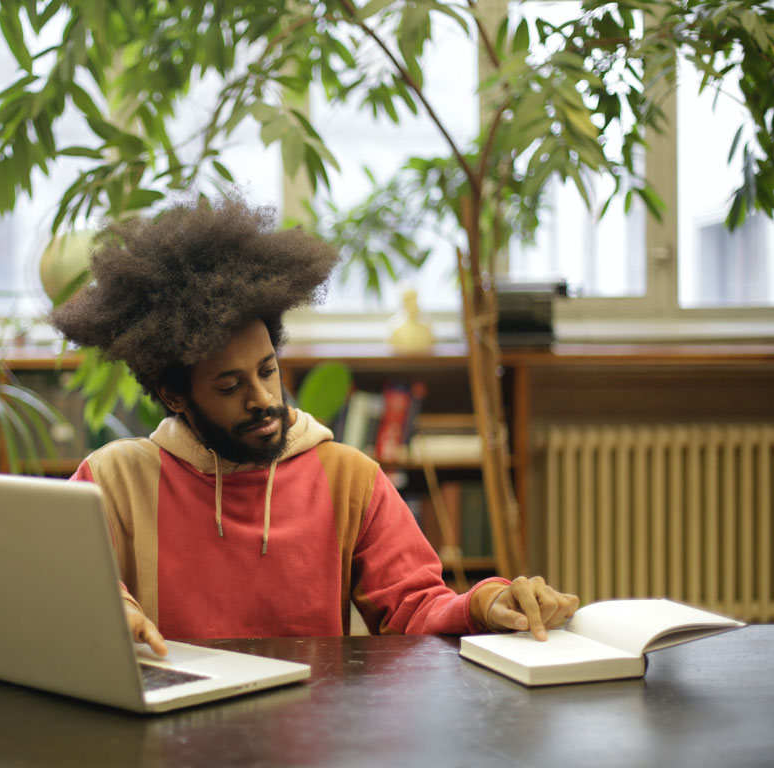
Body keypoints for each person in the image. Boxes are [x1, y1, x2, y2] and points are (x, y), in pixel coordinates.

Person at [50, 196, 578, 656]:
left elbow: (415, 610)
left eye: (267, 371)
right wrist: (107, 609)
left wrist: (489, 602)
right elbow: (62, 578)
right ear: (174, 396)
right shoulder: (115, 480)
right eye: (230, 387)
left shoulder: (348, 477)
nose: (263, 400)